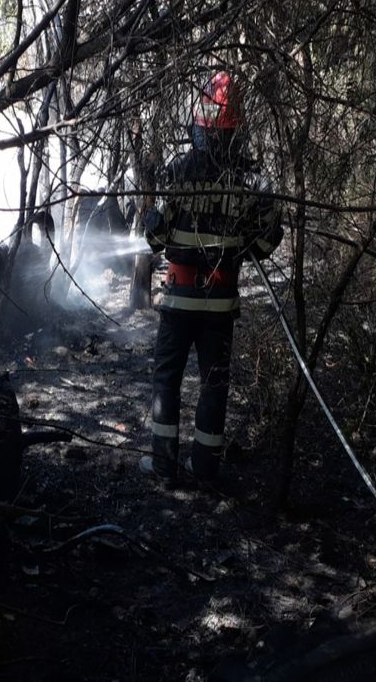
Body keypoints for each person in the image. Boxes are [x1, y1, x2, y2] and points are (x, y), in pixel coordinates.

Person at [138, 71, 283, 488]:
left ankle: (163, 467)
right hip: (220, 301)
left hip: (179, 299)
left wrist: (154, 224)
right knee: (214, 384)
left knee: (167, 379)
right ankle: (205, 469)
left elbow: (156, 238)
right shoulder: (252, 183)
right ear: (237, 129)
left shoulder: (178, 172)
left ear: (199, 127)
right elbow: (265, 242)